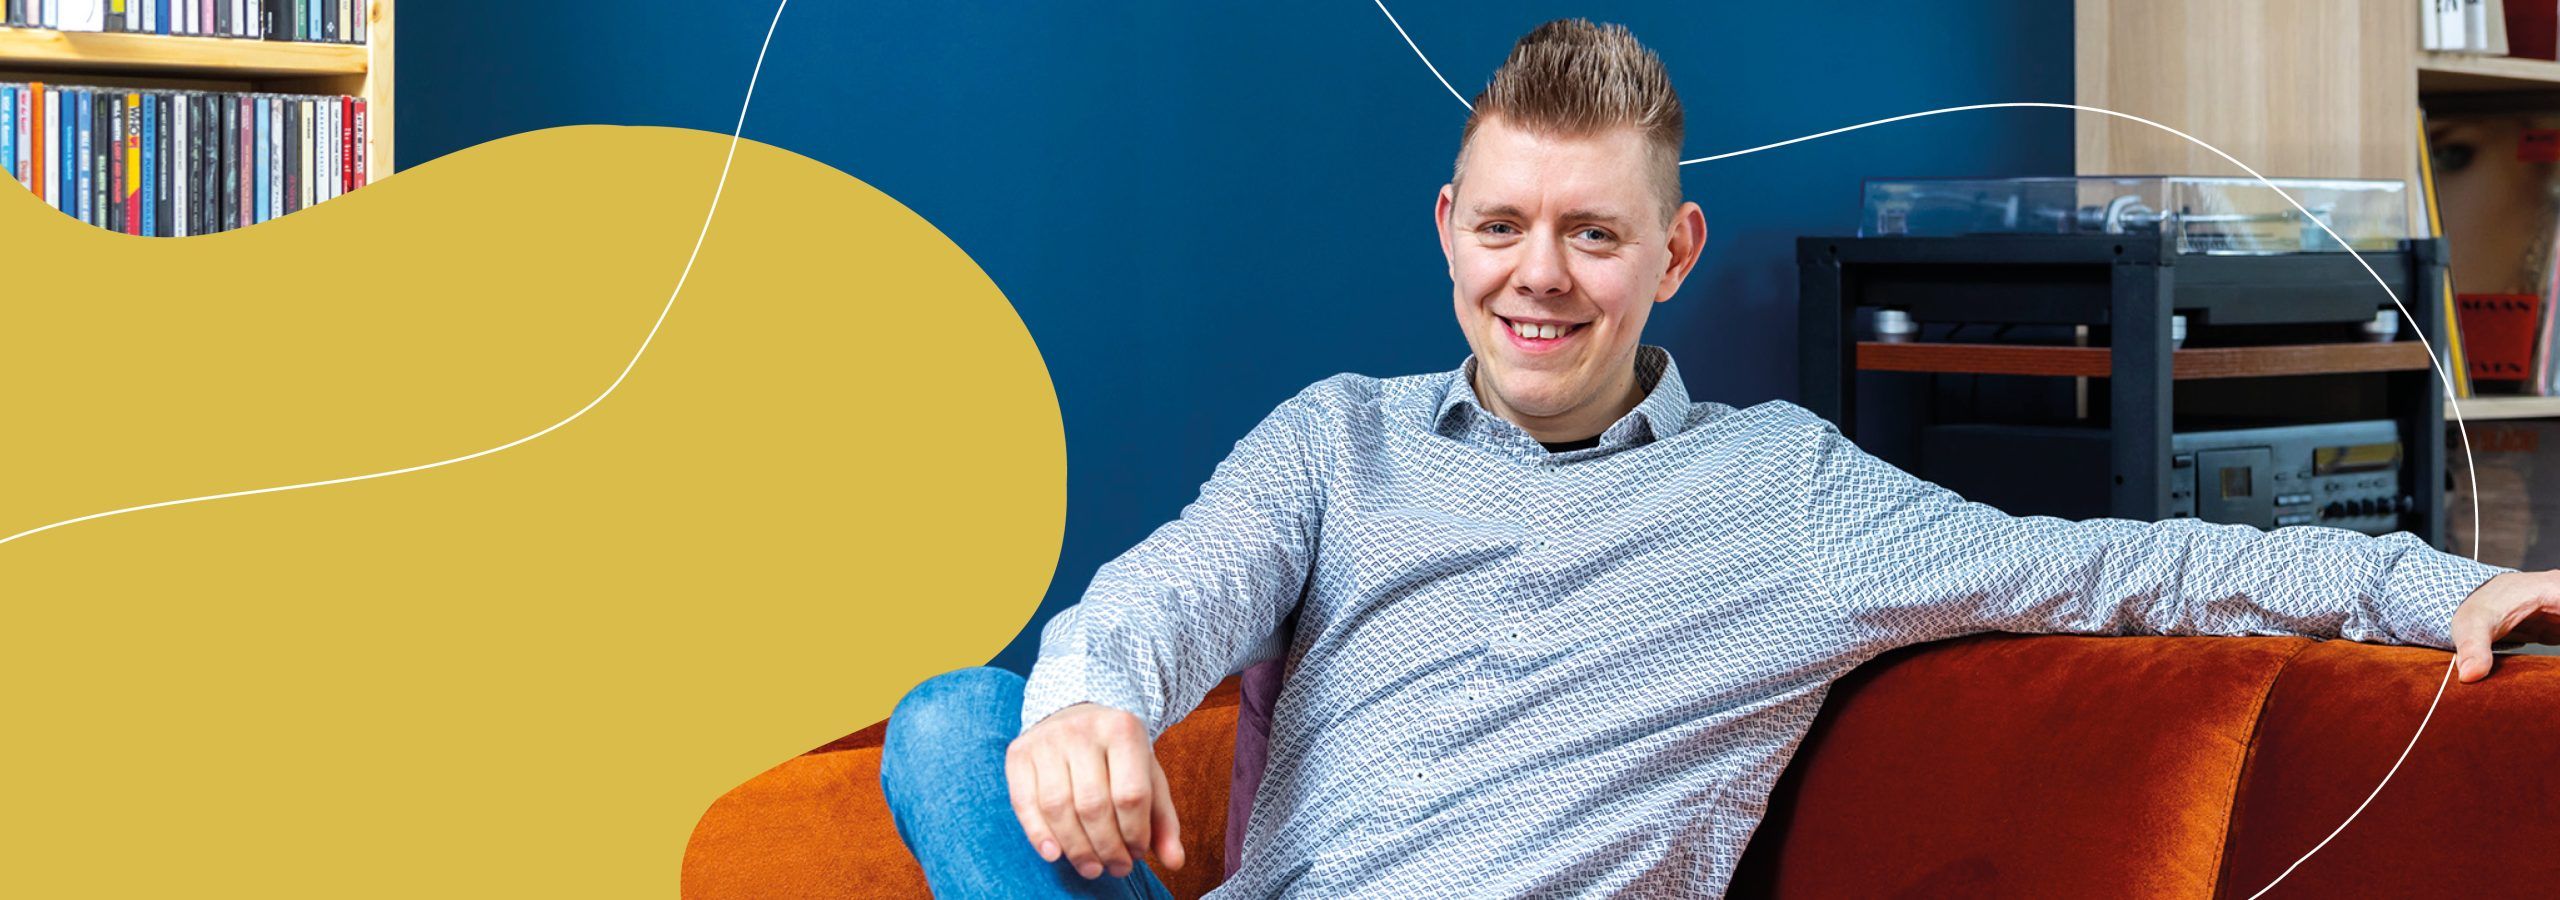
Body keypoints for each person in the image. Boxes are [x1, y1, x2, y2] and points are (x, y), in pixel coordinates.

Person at [878, 18, 2560, 898]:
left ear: (1674, 254)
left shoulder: (1792, 500)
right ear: (1448, 230)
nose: (1540, 277)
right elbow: (1179, 585)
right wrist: (1095, 697)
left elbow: (2123, 566)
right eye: (1506, 226)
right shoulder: (1337, 440)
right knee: (958, 723)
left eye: (1593, 235)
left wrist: (2440, 585)